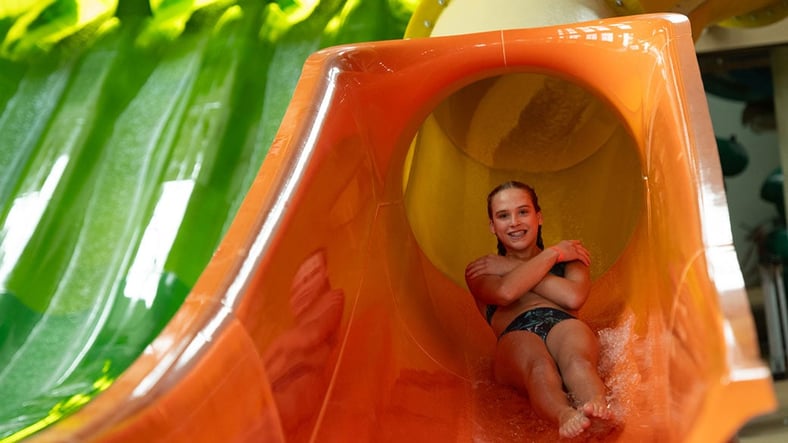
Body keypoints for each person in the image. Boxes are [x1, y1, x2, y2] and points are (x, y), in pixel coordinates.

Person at [465, 180, 610, 438]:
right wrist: (553, 253)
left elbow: (573, 297)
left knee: (577, 361)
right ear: (492, 226)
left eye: (523, 212)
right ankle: (565, 415)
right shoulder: (483, 269)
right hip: (516, 332)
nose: (514, 222)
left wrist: (517, 265)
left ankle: (596, 409)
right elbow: (505, 293)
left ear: (538, 217)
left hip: (563, 323)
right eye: (503, 216)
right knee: (539, 368)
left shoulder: (571, 258)